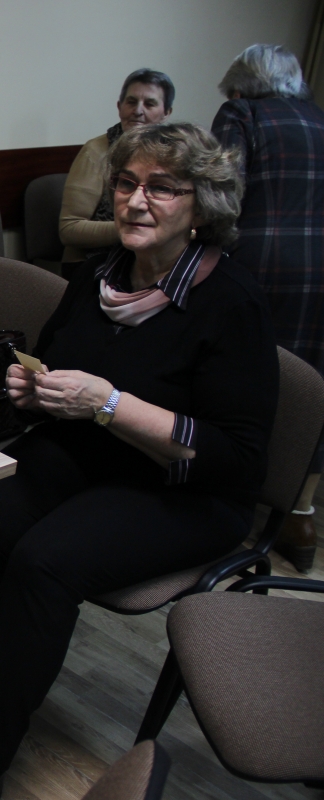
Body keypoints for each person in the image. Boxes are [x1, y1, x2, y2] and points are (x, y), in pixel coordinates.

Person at [0, 123, 276, 800]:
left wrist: (109, 404)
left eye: (162, 188)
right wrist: (35, 390)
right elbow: (59, 368)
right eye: (126, 183)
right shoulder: (97, 274)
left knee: (45, 561)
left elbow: (234, 457)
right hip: (89, 454)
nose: (136, 201)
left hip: (183, 489)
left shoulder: (232, 303)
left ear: (201, 207)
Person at [212, 43, 324, 574]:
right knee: (313, 386)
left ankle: (224, 497)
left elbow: (221, 194)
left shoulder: (241, 114)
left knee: (242, 379)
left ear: (240, 86)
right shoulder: (319, 120)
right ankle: (301, 515)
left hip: (264, 267)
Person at [59, 69, 175, 272]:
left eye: (149, 104)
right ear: (119, 107)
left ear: (166, 113)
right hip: (91, 265)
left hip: (151, 261)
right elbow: (69, 229)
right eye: (131, 102)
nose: (138, 111)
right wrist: (140, 227)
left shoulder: (175, 155)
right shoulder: (96, 151)